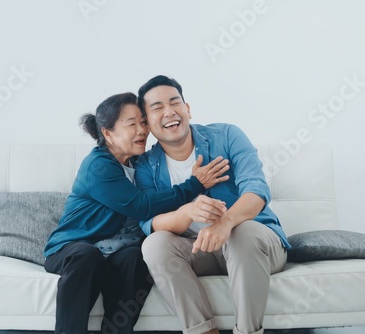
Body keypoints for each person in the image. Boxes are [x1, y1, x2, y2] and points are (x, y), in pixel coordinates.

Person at [43, 92, 227, 334]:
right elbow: (141, 205)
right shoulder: (98, 165)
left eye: (143, 122)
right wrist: (194, 184)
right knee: (88, 256)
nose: (142, 130)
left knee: (135, 257)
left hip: (115, 252)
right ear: (107, 133)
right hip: (73, 249)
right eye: (132, 124)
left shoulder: (140, 165)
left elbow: (160, 202)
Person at [135, 75, 291, 334]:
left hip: (256, 245)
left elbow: (257, 189)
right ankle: (203, 331)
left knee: (242, 232)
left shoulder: (228, 135)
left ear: (188, 109)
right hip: (200, 252)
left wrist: (225, 224)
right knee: (154, 244)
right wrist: (187, 211)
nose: (169, 112)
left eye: (175, 103)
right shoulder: (146, 166)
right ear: (148, 123)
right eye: (157, 108)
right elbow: (149, 221)